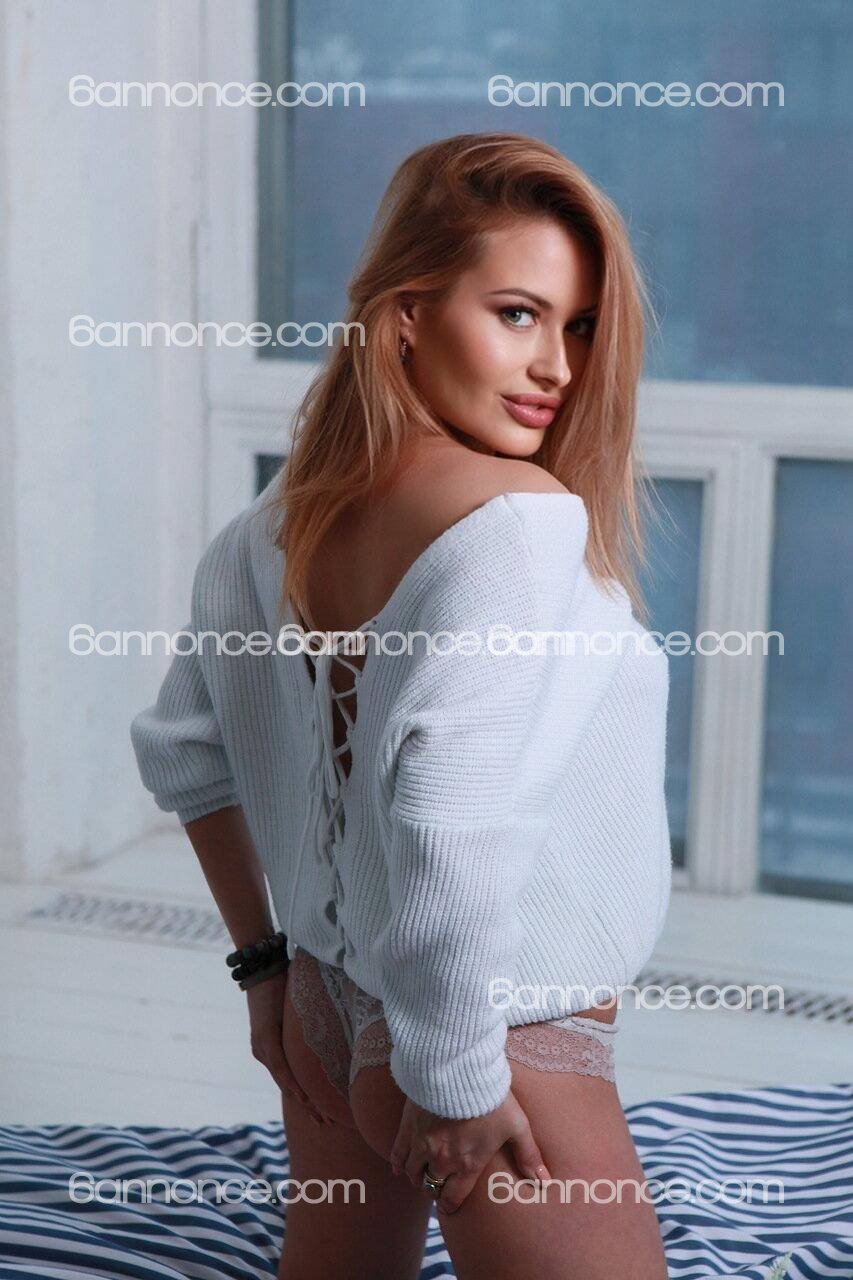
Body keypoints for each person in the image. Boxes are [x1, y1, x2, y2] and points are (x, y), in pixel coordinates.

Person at [131, 132, 672, 1279]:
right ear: (408, 313)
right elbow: (449, 820)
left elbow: (183, 750)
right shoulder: (518, 523)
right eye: (517, 314)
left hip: (326, 1011)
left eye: (580, 326)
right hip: (500, 1042)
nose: (557, 366)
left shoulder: (271, 525)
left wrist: (268, 975)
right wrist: (458, 1080)